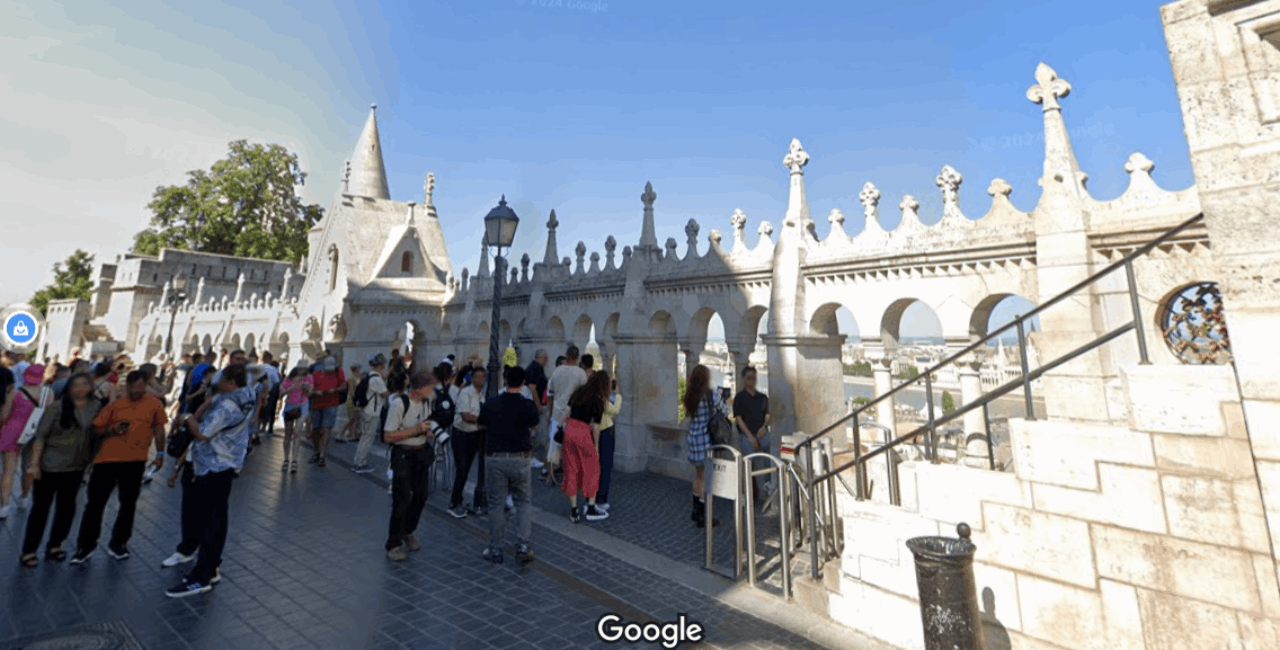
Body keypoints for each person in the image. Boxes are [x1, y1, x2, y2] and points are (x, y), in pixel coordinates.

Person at [165, 364, 256, 597]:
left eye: (220, 382)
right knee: (213, 518)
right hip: (221, 462)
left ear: (231, 383)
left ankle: (202, 575)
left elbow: (203, 432)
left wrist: (187, 418)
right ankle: (211, 566)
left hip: (216, 464)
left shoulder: (228, 405)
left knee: (212, 522)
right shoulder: (248, 393)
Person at [71, 370, 168, 563]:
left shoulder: (154, 405)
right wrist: (111, 430)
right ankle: (86, 546)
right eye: (133, 387)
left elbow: (159, 429)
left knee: (128, 504)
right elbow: (96, 429)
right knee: (95, 505)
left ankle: (119, 543)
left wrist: (160, 454)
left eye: (141, 386)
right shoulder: (116, 406)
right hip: (106, 461)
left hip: (135, 461)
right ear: (127, 387)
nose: (136, 391)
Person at [20, 373, 101, 567]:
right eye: (76, 385)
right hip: (49, 466)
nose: (80, 389)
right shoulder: (56, 407)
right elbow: (40, 436)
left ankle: (55, 544)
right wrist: (34, 464)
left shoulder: (96, 407)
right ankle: (29, 550)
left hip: (76, 467)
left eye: (84, 385)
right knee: (40, 510)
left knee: (66, 509)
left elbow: (97, 432)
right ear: (68, 389)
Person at [479, 366, 540, 564]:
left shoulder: (491, 402)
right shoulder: (527, 404)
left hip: (495, 457)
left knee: (496, 503)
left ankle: (496, 549)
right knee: (523, 501)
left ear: (505, 380)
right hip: (520, 457)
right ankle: (523, 545)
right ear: (523, 383)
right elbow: (535, 425)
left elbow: (481, 424)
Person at [382, 372, 444, 562]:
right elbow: (388, 436)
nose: (433, 392)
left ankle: (408, 531)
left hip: (421, 453)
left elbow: (425, 425)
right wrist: (415, 430)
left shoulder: (426, 402)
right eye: (430, 388)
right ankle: (394, 544)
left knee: (421, 495)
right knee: (401, 499)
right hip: (403, 455)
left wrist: (428, 432)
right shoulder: (399, 404)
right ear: (420, 388)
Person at [683, 365, 729, 528]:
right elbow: (725, 411)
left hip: (693, 438)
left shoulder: (689, 395)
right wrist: (727, 401)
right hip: (705, 440)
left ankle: (696, 510)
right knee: (706, 479)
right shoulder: (710, 394)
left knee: (698, 476)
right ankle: (703, 515)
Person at [1, 365, 49, 518]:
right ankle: (24, 497)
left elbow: (4, 415)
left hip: (12, 433)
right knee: (29, 466)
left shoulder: (15, 394)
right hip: (35, 433)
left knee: (8, 471)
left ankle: (4, 506)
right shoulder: (48, 394)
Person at [562, 370, 610, 523]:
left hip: (569, 430)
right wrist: (595, 447)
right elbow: (595, 427)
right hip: (583, 432)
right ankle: (590, 507)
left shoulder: (579, 392)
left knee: (572, 469)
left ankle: (574, 511)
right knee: (593, 469)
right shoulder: (598, 399)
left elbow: (567, 413)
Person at [449, 366, 487, 518]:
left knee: (474, 467)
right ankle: (454, 502)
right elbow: (465, 416)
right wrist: (482, 421)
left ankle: (470, 499)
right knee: (462, 469)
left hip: (476, 435)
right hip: (461, 434)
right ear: (472, 378)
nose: (481, 379)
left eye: (483, 377)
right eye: (478, 376)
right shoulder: (466, 392)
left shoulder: (483, 394)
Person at [733, 366, 773, 509]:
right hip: (747, 435)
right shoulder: (739, 398)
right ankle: (746, 491)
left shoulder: (763, 397)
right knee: (747, 458)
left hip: (761, 434)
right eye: (749, 377)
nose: (752, 380)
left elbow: (768, 416)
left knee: (773, 448)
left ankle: (769, 483)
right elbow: (738, 419)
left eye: (754, 377)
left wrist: (764, 427)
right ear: (744, 379)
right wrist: (750, 436)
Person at [545, 346, 587, 482]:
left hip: (557, 414)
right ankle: (571, 477)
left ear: (567, 355)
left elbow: (550, 394)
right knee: (571, 447)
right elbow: (584, 396)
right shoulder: (581, 373)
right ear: (577, 357)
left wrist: (549, 414)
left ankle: (550, 474)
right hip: (573, 415)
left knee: (554, 445)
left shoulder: (557, 371)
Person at [352, 354, 389, 474]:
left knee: (364, 437)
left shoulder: (369, 376)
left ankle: (358, 461)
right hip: (372, 413)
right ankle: (360, 463)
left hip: (367, 411)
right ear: (381, 365)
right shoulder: (376, 379)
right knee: (367, 438)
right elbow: (385, 394)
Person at [308, 357, 346, 467]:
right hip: (317, 403)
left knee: (326, 429)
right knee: (315, 429)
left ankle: (322, 455)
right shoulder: (316, 374)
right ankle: (316, 451)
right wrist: (316, 392)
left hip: (331, 403)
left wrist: (334, 390)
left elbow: (343, 386)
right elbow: (310, 390)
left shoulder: (338, 372)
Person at [278, 364, 313, 473]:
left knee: (297, 433)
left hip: (302, 406)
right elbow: (280, 394)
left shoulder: (309, 378)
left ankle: (294, 460)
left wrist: (305, 388)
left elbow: (310, 393)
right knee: (288, 434)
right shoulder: (288, 379)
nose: (303, 371)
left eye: (304, 369)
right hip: (290, 406)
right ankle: (286, 459)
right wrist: (292, 388)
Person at [596, 377, 622, 513]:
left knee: (597, 466)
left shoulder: (594, 396)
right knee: (605, 466)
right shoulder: (603, 399)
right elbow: (613, 409)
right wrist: (615, 393)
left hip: (594, 431)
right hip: (605, 431)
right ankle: (600, 499)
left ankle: (593, 498)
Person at [524, 349, 550, 471]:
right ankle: (531, 458)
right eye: (546, 359)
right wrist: (539, 405)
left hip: (531, 404)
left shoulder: (532, 367)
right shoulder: (536, 368)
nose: (546, 362)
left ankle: (530, 457)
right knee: (533, 433)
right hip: (534, 405)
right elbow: (532, 388)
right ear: (542, 358)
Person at [257, 351, 282, 436]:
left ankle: (255, 431)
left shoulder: (258, 367)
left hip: (256, 392)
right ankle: (263, 428)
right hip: (268, 393)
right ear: (270, 359)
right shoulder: (272, 369)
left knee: (257, 412)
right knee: (265, 412)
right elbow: (276, 382)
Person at [336, 363, 363, 443]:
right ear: (355, 369)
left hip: (357, 400)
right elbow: (351, 392)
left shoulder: (358, 377)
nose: (359, 370)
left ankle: (352, 435)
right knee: (350, 418)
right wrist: (356, 399)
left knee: (355, 418)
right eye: (358, 368)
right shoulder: (351, 379)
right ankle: (339, 434)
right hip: (352, 400)